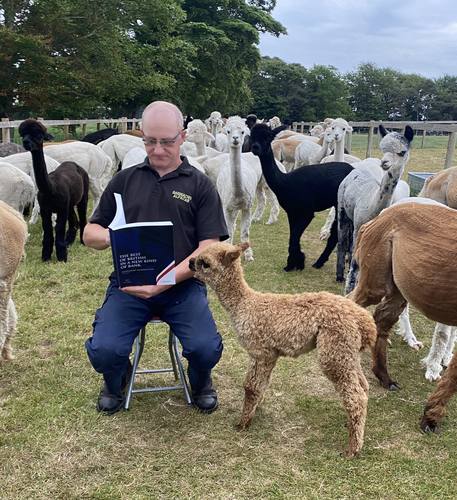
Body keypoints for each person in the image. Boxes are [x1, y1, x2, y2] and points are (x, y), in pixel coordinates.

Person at [83, 101, 228, 415]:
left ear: (183, 137)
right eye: (150, 141)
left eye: (167, 141)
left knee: (204, 348)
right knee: (105, 350)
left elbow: (209, 247)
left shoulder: (200, 185)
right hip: (130, 285)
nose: (158, 149)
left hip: (182, 287)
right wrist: (114, 237)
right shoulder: (125, 181)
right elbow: (89, 232)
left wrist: (166, 281)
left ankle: (201, 378)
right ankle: (116, 377)